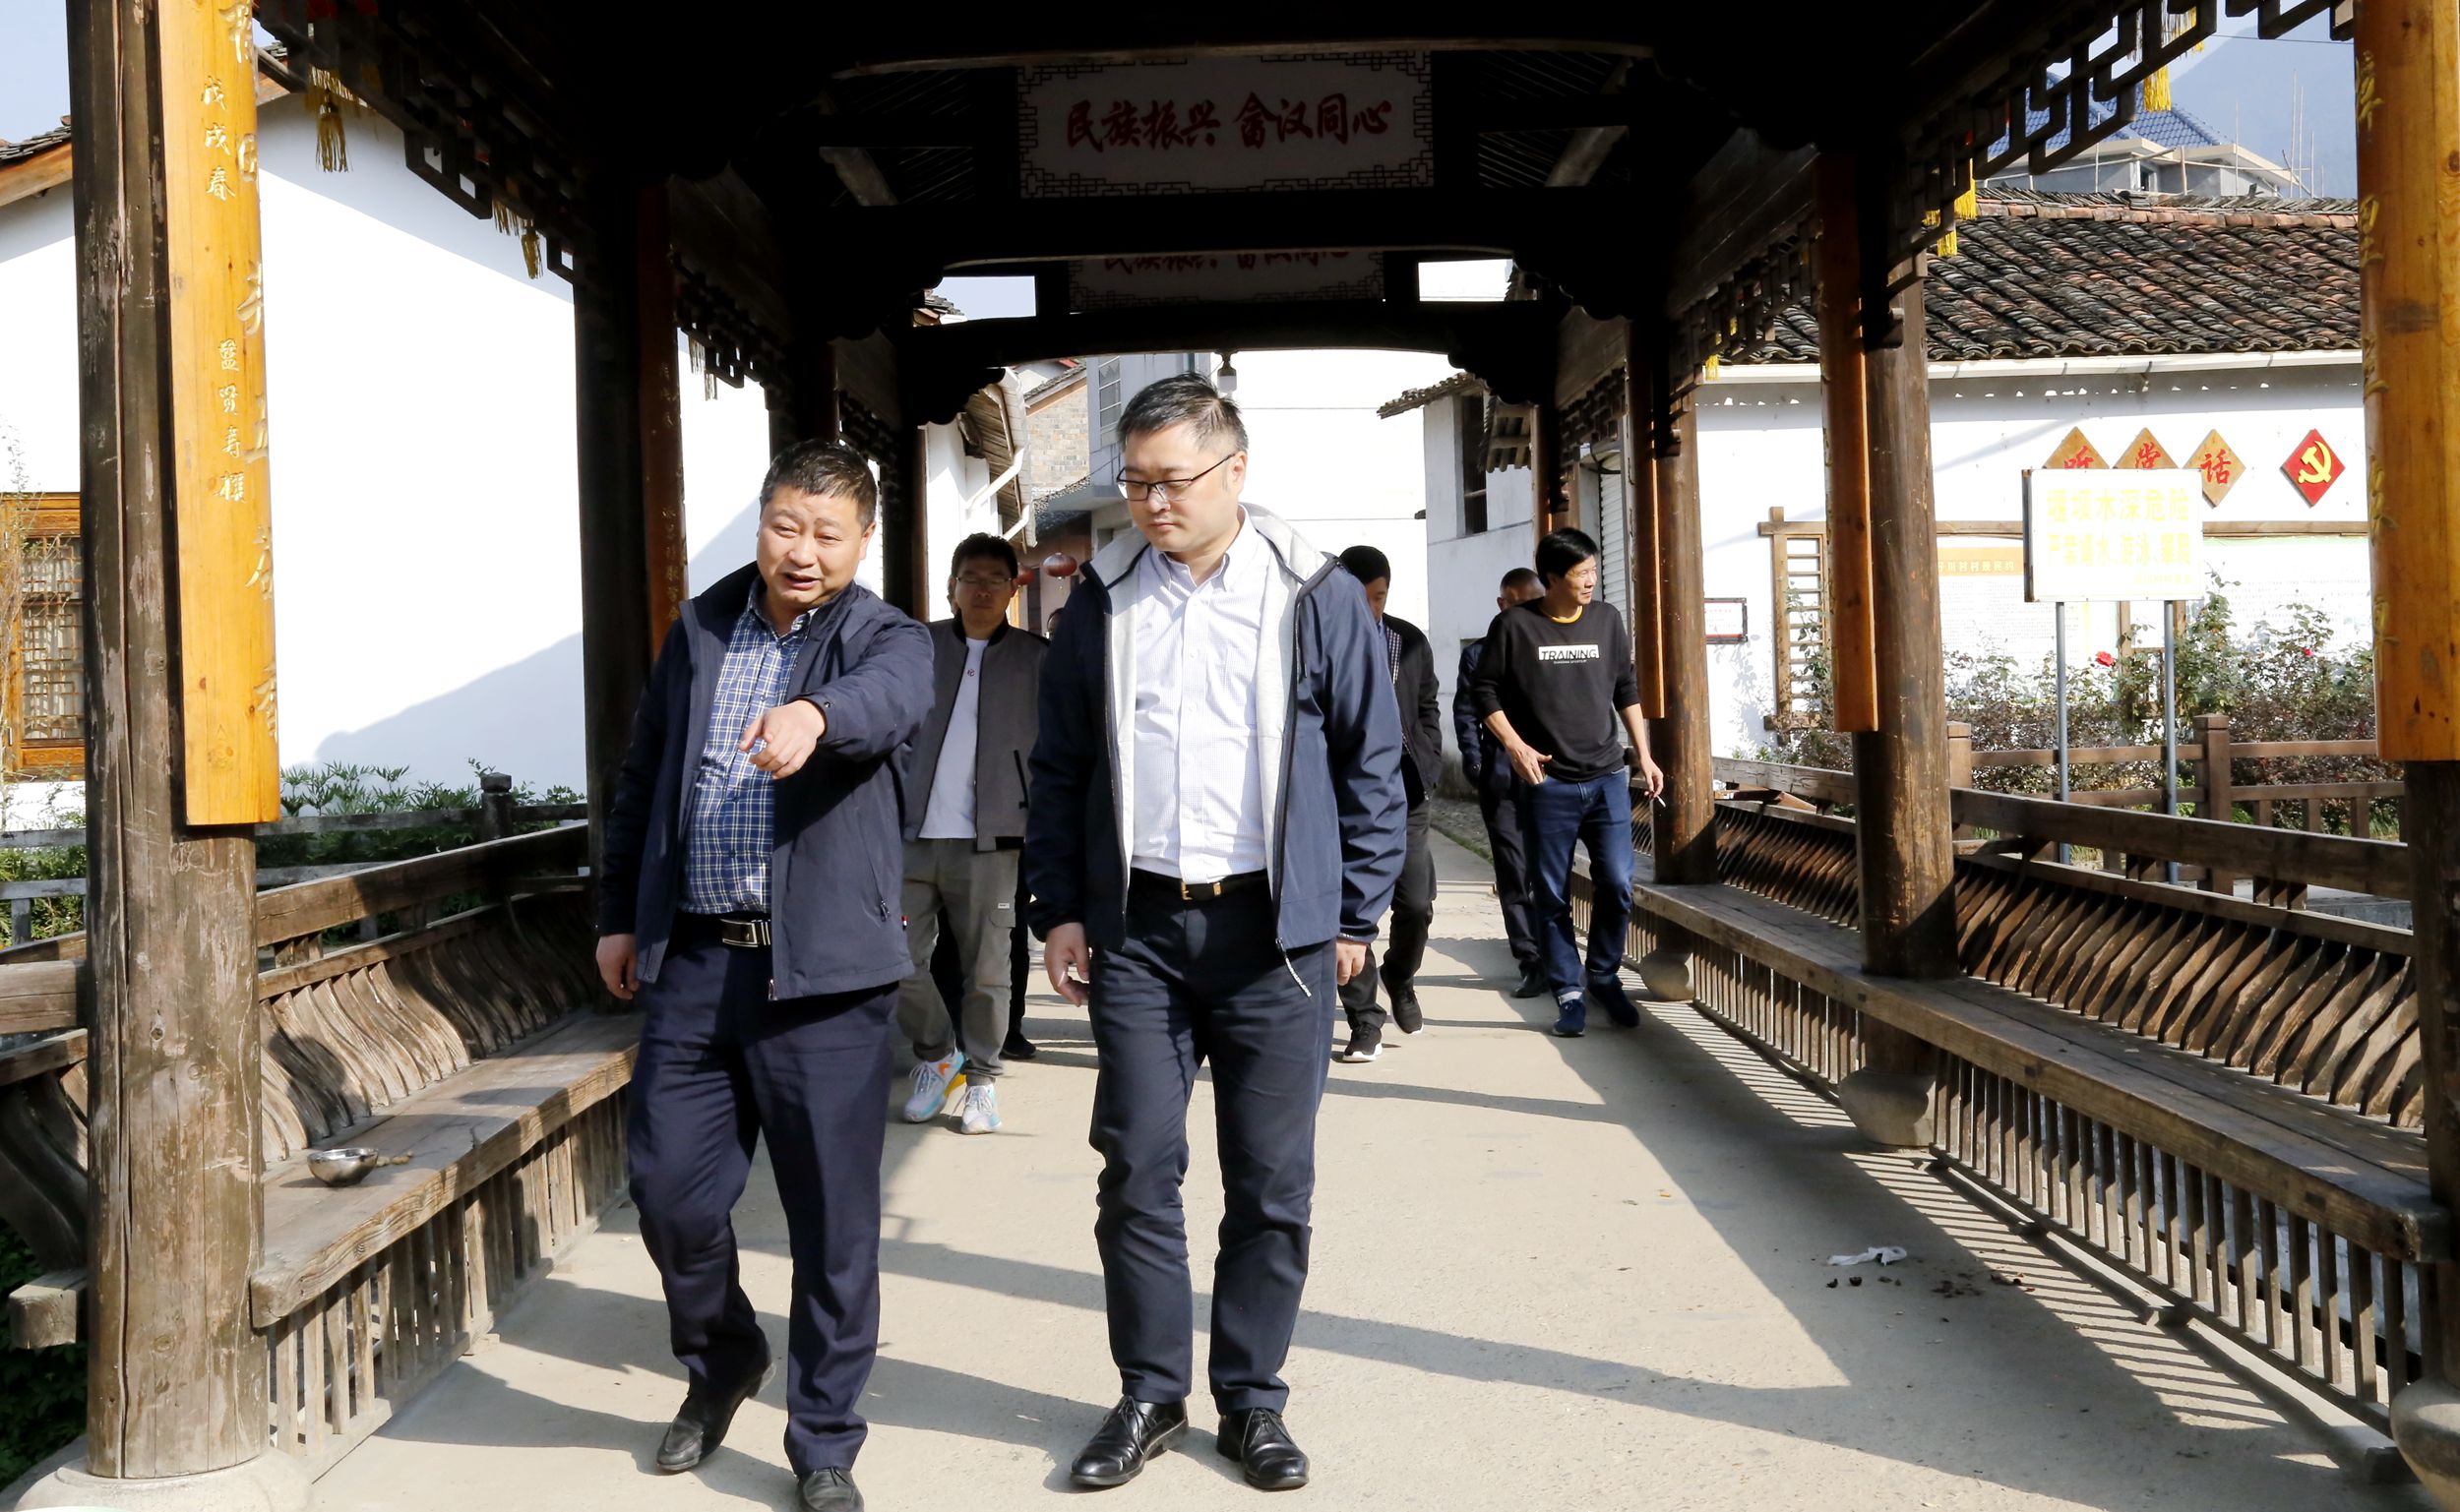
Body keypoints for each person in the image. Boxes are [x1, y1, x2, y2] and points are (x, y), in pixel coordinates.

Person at [1027, 374, 1405, 1493]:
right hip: (1139, 928)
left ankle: (1251, 1400)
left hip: (1275, 936)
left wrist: (1354, 910)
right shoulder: (1102, 599)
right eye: (1135, 483)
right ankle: (1150, 1391)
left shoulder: (1312, 595)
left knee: (1271, 1182)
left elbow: (1372, 760)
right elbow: (1061, 767)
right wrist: (1059, 906)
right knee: (1136, 1168)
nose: (1152, 504)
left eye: (1172, 480)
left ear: (1235, 471)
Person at [595, 439, 931, 1512]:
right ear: (761, 522)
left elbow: (888, 699)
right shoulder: (700, 626)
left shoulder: (887, 636)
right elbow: (644, 774)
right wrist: (619, 915)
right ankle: (726, 1356)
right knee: (669, 1196)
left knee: (833, 1222)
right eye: (787, 525)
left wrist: (813, 714)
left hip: (823, 981)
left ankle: (824, 1437)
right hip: (697, 960)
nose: (803, 551)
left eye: (828, 534)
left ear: (862, 540)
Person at [1465, 528, 1665, 1039]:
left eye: (1594, 571)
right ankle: (1568, 991)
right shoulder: (1514, 626)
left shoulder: (1607, 620)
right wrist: (1515, 746)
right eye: (1581, 574)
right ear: (1552, 578)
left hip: (1607, 777)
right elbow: (1484, 692)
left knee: (1617, 883)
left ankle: (1603, 975)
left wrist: (1643, 753)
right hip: (1547, 783)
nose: (1591, 581)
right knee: (1550, 893)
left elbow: (1626, 687)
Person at [896, 534, 1048, 1134]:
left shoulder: (1038, 659)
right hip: (910, 836)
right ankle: (939, 1054)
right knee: (891, 959)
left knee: (987, 969)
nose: (982, 589)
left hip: (993, 840)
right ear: (952, 587)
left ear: (1012, 589)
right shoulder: (916, 647)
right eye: (971, 578)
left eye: (994, 579)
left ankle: (982, 1080)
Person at [1331, 543, 1442, 1064]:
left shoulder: (1409, 641)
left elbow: (1426, 707)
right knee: (1347, 910)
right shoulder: (1324, 642)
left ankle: (1400, 975)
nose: (1372, 608)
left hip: (1406, 790)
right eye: (1363, 598)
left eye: (1380, 597)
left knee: (1415, 902)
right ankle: (1364, 1019)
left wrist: (1430, 761)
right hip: (1344, 796)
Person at [1454, 567, 1549, 998]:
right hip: (1501, 779)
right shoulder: (1478, 654)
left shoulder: (1549, 646)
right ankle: (1530, 960)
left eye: (1535, 603)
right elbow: (1465, 712)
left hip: (1550, 777)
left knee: (1550, 869)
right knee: (1513, 872)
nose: (1529, 611)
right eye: (1520, 604)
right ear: (1502, 604)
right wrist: (1476, 764)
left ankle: (1558, 956)